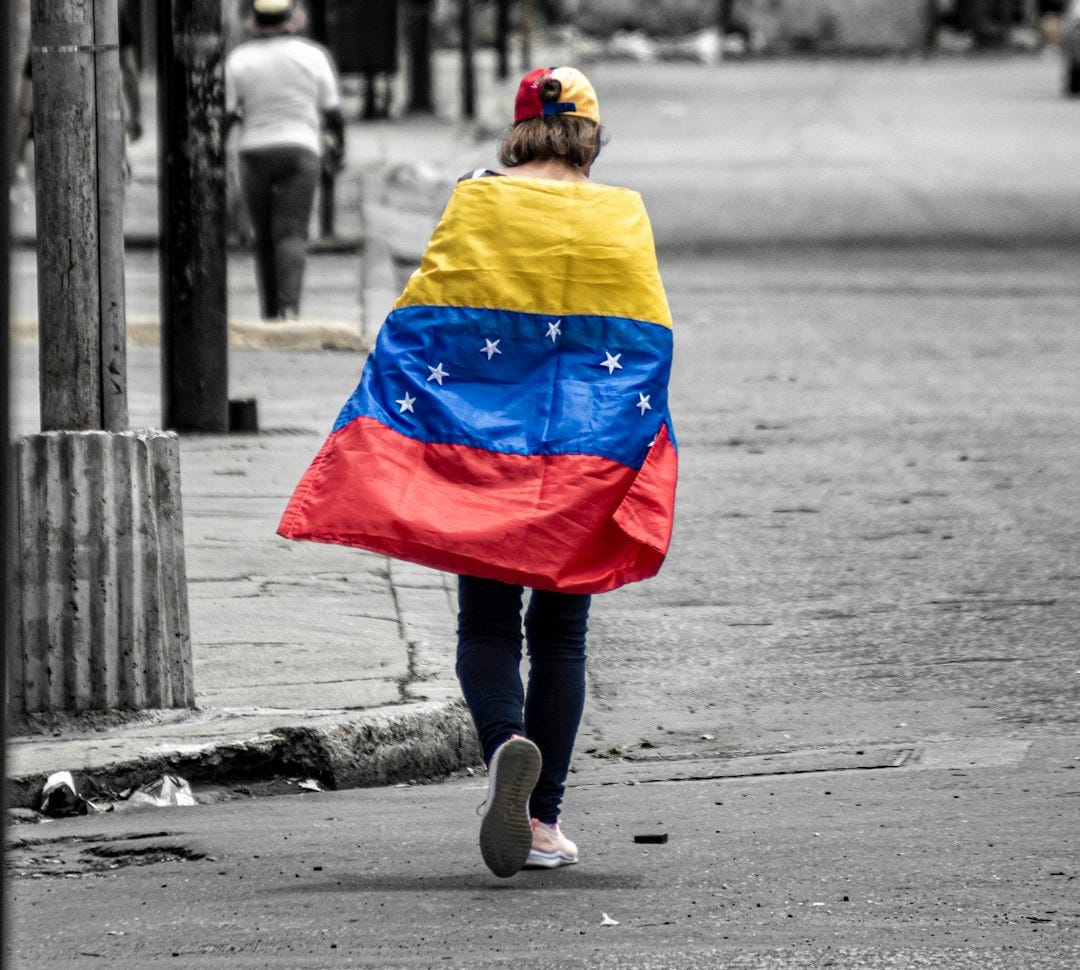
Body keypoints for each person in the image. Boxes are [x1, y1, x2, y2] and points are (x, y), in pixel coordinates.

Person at [278, 67, 677, 878]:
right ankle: (542, 820)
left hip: (479, 453)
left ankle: (505, 745)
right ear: (593, 138)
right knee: (562, 636)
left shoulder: (476, 201)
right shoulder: (622, 214)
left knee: (486, 626)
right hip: (584, 457)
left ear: (518, 129)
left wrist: (387, 410)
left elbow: (423, 324)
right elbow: (646, 345)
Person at [224, 0, 344, 320]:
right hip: (301, 150)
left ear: (256, 22)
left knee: (262, 236)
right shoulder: (312, 56)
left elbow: (228, 112)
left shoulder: (239, 59)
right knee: (291, 233)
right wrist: (338, 150)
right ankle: (288, 310)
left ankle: (268, 312)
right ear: (293, 19)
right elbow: (332, 112)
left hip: (254, 152)